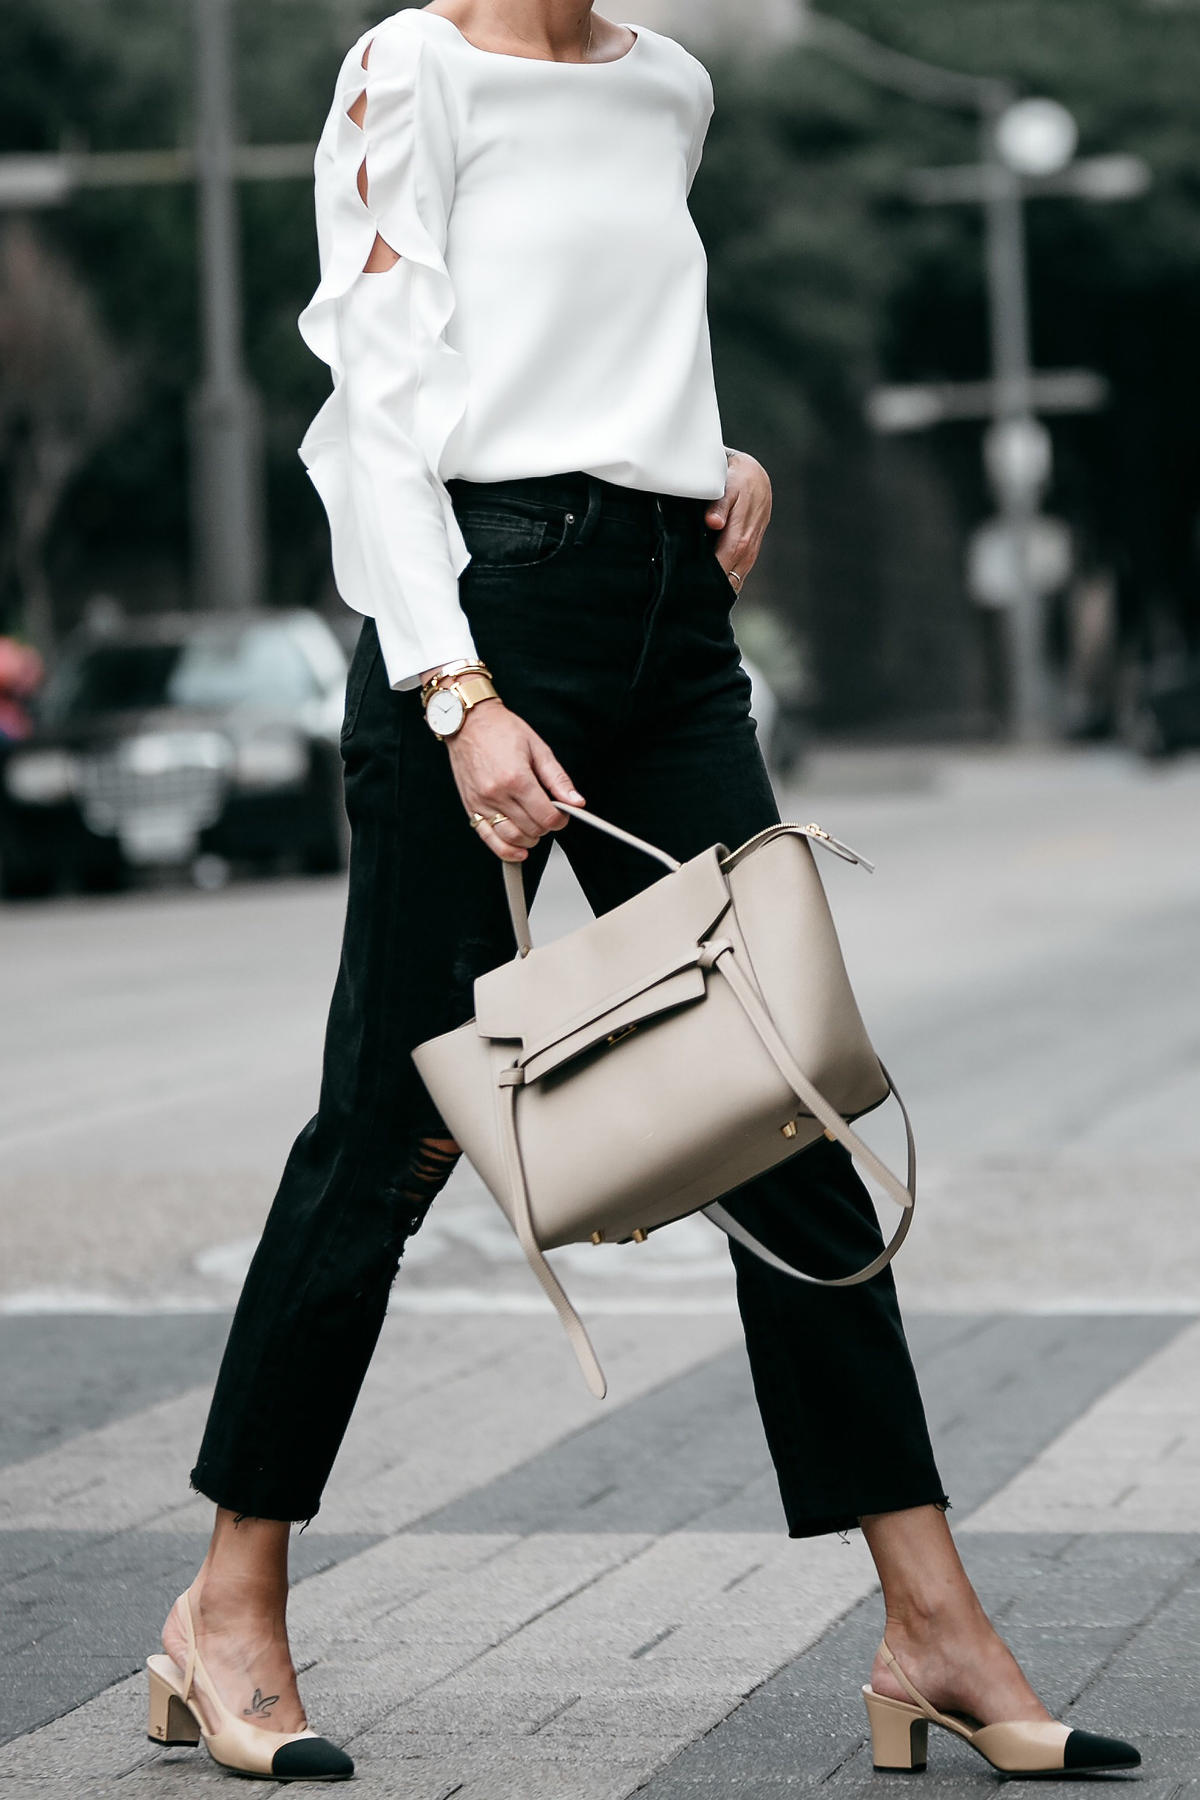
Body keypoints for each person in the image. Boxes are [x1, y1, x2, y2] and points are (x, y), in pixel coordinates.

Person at [146, 0, 1141, 1783]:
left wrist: (712, 456)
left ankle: (929, 1622)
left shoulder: (666, 85)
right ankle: (228, 1604)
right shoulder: (409, 71)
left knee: (787, 1095)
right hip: (481, 622)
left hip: (673, 630)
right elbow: (383, 401)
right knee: (392, 1127)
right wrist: (457, 696)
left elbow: (605, 356)